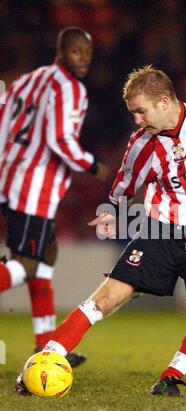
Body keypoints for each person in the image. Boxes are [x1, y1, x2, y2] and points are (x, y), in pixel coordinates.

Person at [20, 65, 186, 397]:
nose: (137, 120)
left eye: (140, 111)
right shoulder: (141, 145)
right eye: (133, 113)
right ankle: (44, 360)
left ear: (164, 102)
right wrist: (113, 213)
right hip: (160, 231)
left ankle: (171, 376)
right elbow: (122, 186)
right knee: (108, 297)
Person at [0, 27, 107, 368]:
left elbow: (3, 121)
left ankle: (45, 344)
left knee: (46, 254)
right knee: (28, 263)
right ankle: (44, 342)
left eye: (88, 53)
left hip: (10, 176)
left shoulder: (30, 79)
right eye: (77, 51)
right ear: (61, 51)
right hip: (34, 187)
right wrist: (94, 166)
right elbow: (60, 141)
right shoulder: (70, 89)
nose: (84, 59)